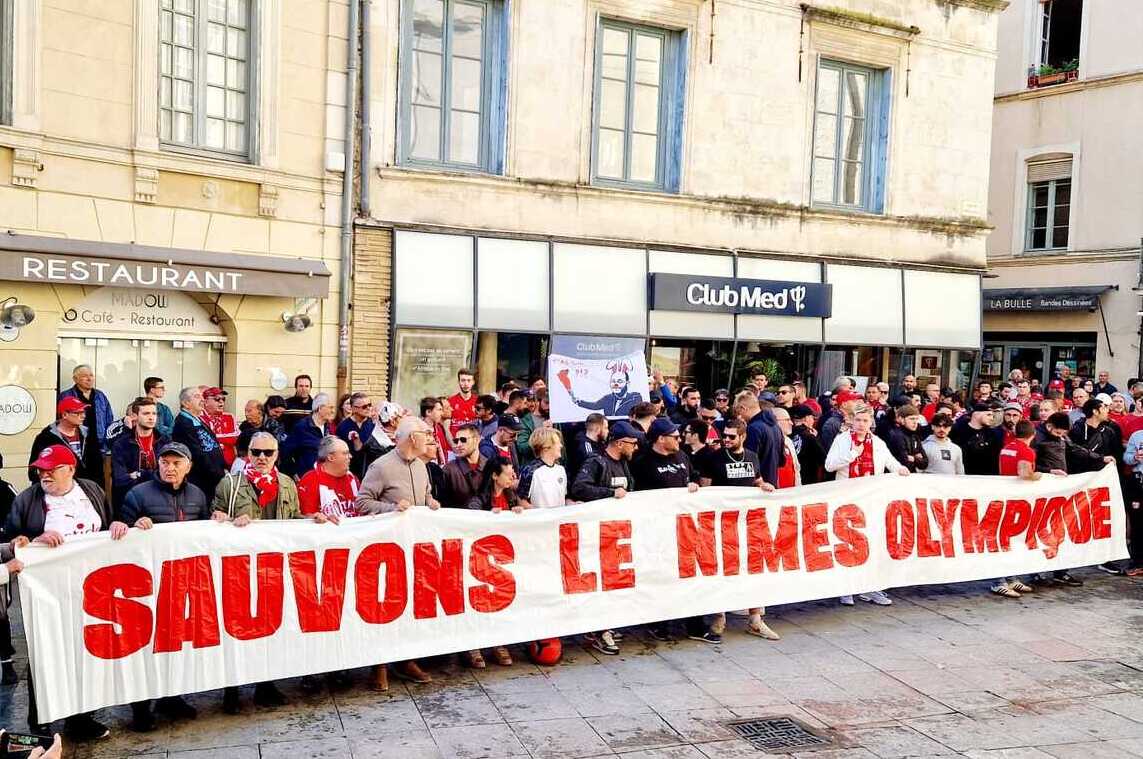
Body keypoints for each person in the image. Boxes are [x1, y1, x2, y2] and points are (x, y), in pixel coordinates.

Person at [8, 445, 129, 740]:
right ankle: (41, 721)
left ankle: (81, 717)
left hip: (91, 588)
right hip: (48, 590)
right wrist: (33, 539)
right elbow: (10, 538)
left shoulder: (91, 490)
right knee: (44, 652)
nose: (44, 475)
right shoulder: (28, 498)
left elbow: (107, 521)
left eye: (52, 469)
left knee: (84, 651)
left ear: (71, 470)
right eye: (41, 469)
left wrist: (117, 525)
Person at [211, 431, 322, 713]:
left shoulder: (286, 484)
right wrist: (228, 520)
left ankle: (266, 686)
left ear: (277, 456)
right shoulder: (230, 484)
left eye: (268, 453)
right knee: (236, 630)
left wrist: (312, 520)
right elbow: (214, 520)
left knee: (273, 628)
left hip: (275, 569)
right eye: (256, 452)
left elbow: (294, 518)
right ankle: (232, 690)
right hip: (240, 568)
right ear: (247, 453)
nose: (261, 458)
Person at [119, 441, 209, 732]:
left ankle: (172, 697)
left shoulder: (197, 495)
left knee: (176, 643)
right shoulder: (137, 494)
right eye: (165, 462)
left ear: (188, 466)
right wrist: (134, 526)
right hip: (146, 584)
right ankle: (141, 708)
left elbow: (206, 534)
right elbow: (118, 531)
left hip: (183, 583)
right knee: (145, 648)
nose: (170, 468)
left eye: (176, 463)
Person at [354, 417, 439, 688]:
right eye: (425, 434)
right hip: (386, 550)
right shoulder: (381, 466)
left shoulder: (423, 467)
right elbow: (362, 502)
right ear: (412, 438)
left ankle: (406, 659)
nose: (428, 437)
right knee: (385, 606)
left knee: (411, 604)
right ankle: (379, 665)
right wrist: (390, 509)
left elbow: (424, 496)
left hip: (414, 547)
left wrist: (431, 502)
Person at [824, 404, 907, 607]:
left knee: (871, 543)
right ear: (852, 421)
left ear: (871, 423)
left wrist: (901, 469)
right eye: (858, 420)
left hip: (870, 499)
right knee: (848, 542)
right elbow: (829, 465)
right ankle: (847, 588)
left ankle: (869, 587)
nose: (861, 424)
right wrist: (852, 455)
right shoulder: (842, 440)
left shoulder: (877, 442)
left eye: (865, 421)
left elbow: (890, 462)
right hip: (846, 499)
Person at [569, 421, 639, 656]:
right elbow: (579, 488)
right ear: (619, 443)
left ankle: (606, 625)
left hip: (617, 535)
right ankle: (601, 630)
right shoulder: (596, 462)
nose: (636, 447)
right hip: (596, 536)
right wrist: (610, 494)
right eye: (632, 443)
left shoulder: (624, 465)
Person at [29, 396, 104, 485]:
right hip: (58, 490)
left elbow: (98, 467)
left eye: (83, 412)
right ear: (64, 415)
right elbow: (34, 472)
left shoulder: (89, 434)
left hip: (87, 490)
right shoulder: (45, 438)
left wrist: (97, 490)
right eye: (78, 413)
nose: (83, 416)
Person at [110, 397, 168, 508]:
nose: (151, 417)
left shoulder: (165, 442)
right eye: (146, 413)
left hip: (160, 498)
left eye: (154, 413)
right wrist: (155, 474)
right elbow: (120, 479)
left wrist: (137, 474)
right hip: (130, 500)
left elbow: (168, 476)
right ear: (135, 416)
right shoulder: (121, 444)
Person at [172, 386, 227, 500]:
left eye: (202, 396)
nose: (202, 399)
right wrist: (218, 474)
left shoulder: (197, 419)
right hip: (202, 481)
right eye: (197, 396)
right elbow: (197, 455)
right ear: (186, 403)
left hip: (213, 478)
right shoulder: (183, 423)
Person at [297, 436, 361, 520]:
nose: (350, 456)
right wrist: (315, 517)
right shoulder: (310, 480)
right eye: (345, 453)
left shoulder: (353, 479)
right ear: (331, 457)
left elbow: (362, 508)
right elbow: (305, 518)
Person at [59, 364, 114, 452]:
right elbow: (61, 421)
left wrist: (106, 443)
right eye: (85, 376)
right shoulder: (66, 396)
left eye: (91, 375)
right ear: (75, 379)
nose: (89, 379)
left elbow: (109, 419)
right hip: (76, 445)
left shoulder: (100, 395)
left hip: (98, 446)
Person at [734, 391, 783, 487]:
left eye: (738, 412)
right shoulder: (776, 426)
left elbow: (748, 463)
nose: (738, 417)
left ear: (744, 409)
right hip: (771, 483)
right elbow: (782, 460)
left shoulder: (753, 429)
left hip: (757, 487)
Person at [558, 365, 643, 417]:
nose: (616, 384)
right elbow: (594, 406)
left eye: (620, 381)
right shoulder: (607, 398)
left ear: (627, 383)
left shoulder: (635, 398)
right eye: (613, 381)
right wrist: (578, 401)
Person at [284, 392, 336, 477]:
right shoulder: (301, 427)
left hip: (327, 478)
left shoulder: (330, 428)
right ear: (320, 408)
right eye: (330, 407)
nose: (333, 411)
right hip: (307, 478)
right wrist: (294, 474)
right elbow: (286, 453)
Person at [518, 428, 568, 508]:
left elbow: (563, 499)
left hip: (559, 520)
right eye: (557, 443)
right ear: (546, 447)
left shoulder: (561, 470)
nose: (561, 446)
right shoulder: (530, 471)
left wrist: (573, 504)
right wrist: (541, 514)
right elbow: (521, 501)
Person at [950, 404, 1003, 476]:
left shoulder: (993, 434)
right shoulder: (958, 431)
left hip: (987, 478)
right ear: (976, 414)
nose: (991, 418)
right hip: (964, 477)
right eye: (988, 415)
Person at [442, 423, 487, 507]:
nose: (458, 445)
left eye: (463, 440)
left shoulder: (491, 466)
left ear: (477, 440)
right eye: (456, 441)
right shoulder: (448, 470)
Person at [336, 392, 376, 479]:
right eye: (364, 407)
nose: (368, 408)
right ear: (353, 409)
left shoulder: (374, 425)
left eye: (370, 405)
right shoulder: (343, 427)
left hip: (371, 474)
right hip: (349, 474)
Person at [1122, 427, 1143, 575]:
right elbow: (1126, 458)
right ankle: (1137, 562)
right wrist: (1135, 457)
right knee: (1137, 523)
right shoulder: (1136, 435)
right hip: (1138, 482)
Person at [202, 387, 240, 467]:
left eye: (223, 399)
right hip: (209, 464)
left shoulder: (229, 417)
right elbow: (203, 441)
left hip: (229, 463)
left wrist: (214, 437)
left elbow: (236, 438)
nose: (221, 402)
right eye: (217, 399)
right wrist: (225, 438)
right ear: (205, 402)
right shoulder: (199, 418)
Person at [788, 405, 825, 484]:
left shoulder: (787, 435)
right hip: (808, 481)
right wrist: (816, 438)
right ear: (806, 418)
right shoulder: (810, 437)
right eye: (812, 418)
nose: (813, 421)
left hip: (791, 479)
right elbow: (823, 459)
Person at [886, 405, 929, 474]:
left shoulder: (915, 436)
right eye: (912, 419)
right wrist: (917, 458)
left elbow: (925, 463)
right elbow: (904, 462)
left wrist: (913, 458)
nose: (915, 422)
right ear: (901, 419)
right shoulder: (896, 436)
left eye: (916, 419)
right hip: (897, 476)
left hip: (911, 476)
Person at [569, 413, 608, 479]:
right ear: (597, 429)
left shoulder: (601, 444)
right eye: (606, 428)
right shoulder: (585, 448)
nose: (608, 431)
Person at [517, 388, 551, 464]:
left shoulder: (553, 419)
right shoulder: (525, 421)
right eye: (546, 403)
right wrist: (542, 433)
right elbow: (522, 447)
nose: (549, 407)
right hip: (533, 466)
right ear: (537, 402)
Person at [420, 396, 452, 464]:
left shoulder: (439, 428)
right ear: (428, 412)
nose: (441, 413)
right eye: (439, 410)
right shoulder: (419, 430)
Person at [448, 368, 479, 437]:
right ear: (458, 382)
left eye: (469, 380)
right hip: (455, 443)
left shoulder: (479, 401)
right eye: (463, 380)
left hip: (473, 443)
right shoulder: (450, 402)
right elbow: (446, 428)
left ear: (473, 382)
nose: (466, 384)